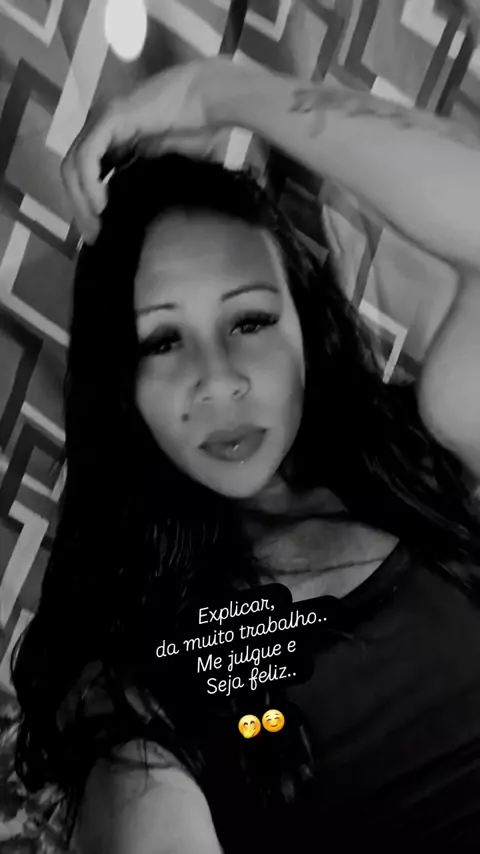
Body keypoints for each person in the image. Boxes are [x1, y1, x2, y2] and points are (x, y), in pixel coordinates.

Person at [10, 57, 480, 854]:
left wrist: (220, 91)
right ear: (122, 386)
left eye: (250, 321)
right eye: (163, 340)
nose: (218, 380)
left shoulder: (429, 453)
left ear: (308, 328)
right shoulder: (137, 668)